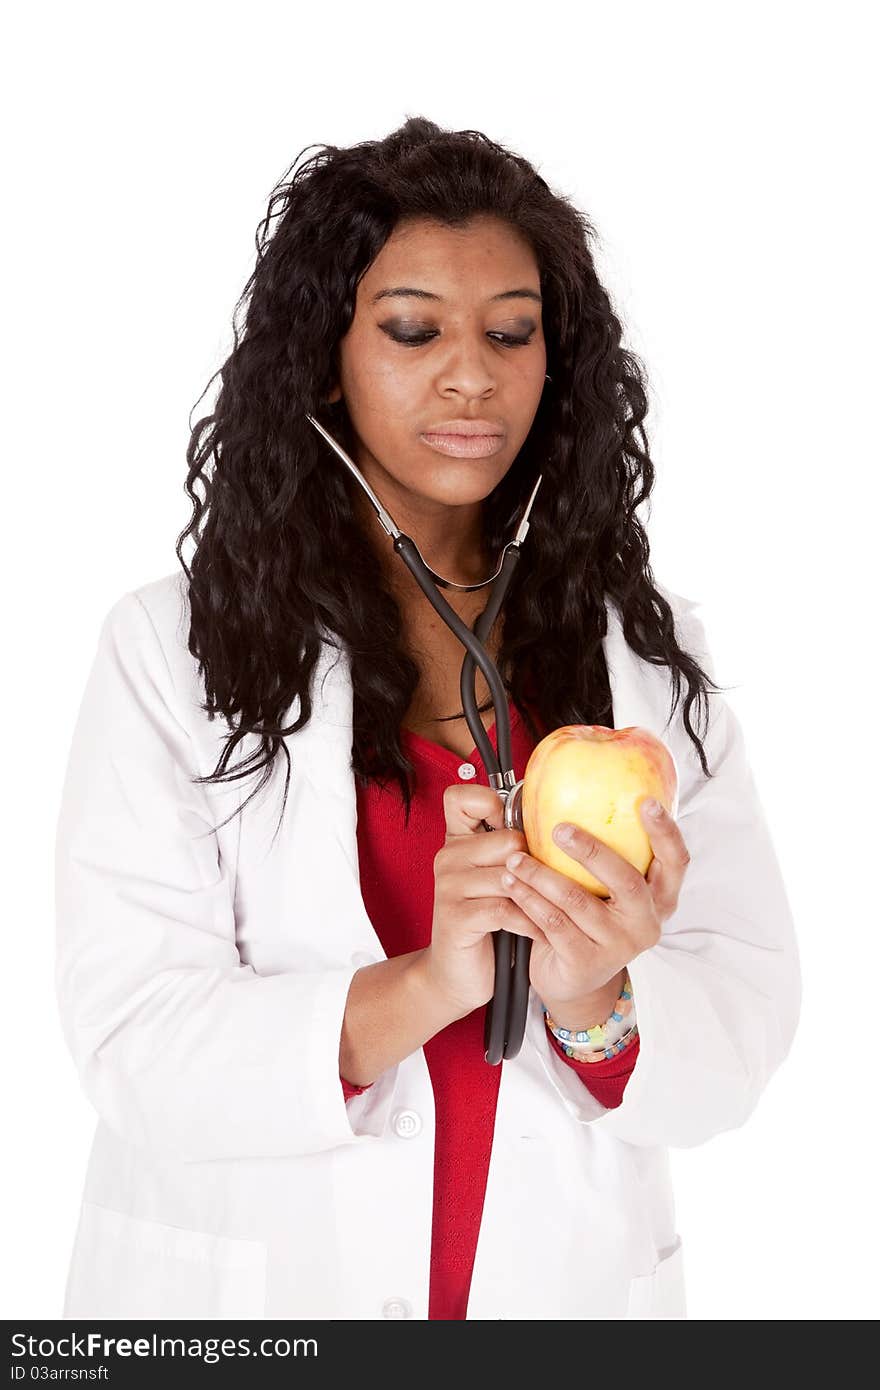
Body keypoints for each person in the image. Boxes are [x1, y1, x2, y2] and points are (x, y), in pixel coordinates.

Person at [54, 116, 801, 1321]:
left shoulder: (645, 663)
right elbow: (132, 1040)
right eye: (413, 329)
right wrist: (427, 983)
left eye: (512, 332)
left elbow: (744, 1022)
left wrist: (592, 1000)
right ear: (324, 356)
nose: (472, 375)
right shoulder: (174, 651)